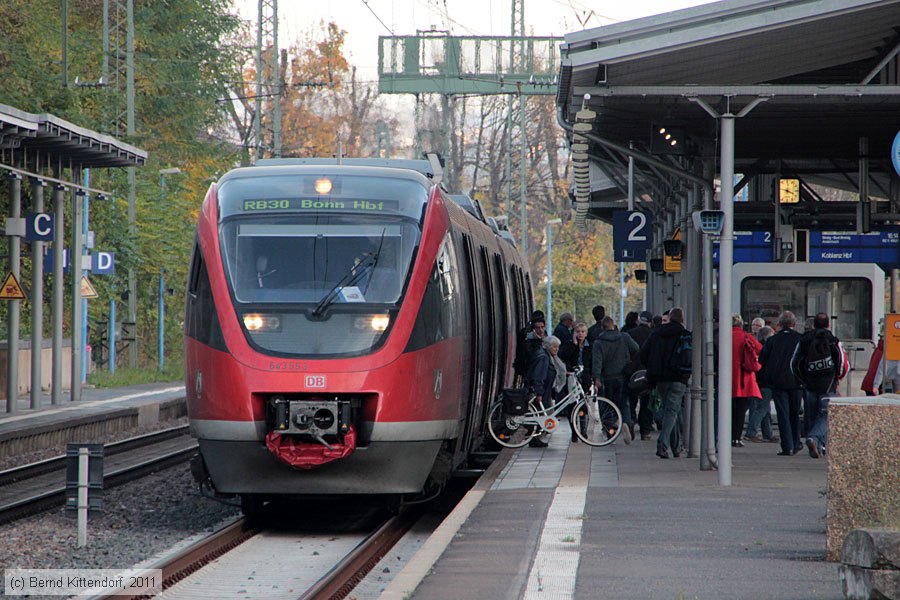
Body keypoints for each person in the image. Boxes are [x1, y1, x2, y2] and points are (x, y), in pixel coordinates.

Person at [791, 312, 849, 458]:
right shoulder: (833, 340)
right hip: (828, 384)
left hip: (810, 384)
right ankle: (818, 441)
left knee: (811, 415)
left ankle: (815, 442)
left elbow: (794, 363)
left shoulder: (804, 340)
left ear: (814, 324)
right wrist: (838, 377)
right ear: (829, 324)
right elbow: (842, 362)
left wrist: (802, 380)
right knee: (825, 415)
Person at [639, 307, 691, 459]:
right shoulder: (684, 334)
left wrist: (652, 367)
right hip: (678, 377)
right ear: (682, 319)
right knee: (672, 411)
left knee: (670, 410)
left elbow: (643, 354)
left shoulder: (656, 333)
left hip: (660, 378)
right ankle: (662, 444)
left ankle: (676, 448)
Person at [759, 311, 804, 456]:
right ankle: (796, 442)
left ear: (780, 324)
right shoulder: (800, 339)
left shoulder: (772, 340)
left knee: (783, 414)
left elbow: (762, 360)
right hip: (796, 381)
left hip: (778, 382)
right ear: (794, 324)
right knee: (794, 413)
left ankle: (787, 446)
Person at [592, 316, 638, 444]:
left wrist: (596, 377)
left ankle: (610, 430)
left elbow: (597, 362)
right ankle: (626, 424)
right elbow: (636, 348)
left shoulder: (598, 342)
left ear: (602, 327)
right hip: (623, 376)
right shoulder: (624, 337)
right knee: (624, 403)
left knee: (606, 405)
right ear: (614, 325)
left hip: (606, 378)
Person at [525, 335, 568, 448]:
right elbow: (539, 375)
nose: (557, 349)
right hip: (542, 392)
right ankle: (535, 439)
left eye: (558, 347)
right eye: (554, 347)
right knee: (539, 415)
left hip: (545, 391)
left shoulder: (547, 356)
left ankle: (537, 438)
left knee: (541, 415)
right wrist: (539, 392)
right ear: (548, 347)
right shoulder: (544, 358)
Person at [731, 314, 762, 448]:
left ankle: (724, 435)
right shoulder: (746, 337)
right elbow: (761, 349)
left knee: (726, 409)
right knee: (740, 410)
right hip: (743, 378)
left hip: (726, 378)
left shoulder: (722, 336)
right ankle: (736, 438)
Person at [624, 310, 654, 440]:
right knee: (646, 402)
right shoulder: (653, 335)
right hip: (648, 372)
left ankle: (631, 421)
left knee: (631, 400)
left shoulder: (629, 334)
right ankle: (645, 431)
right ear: (650, 322)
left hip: (633, 372)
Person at [745, 325, 777, 443]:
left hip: (757, 381)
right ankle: (751, 432)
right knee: (762, 408)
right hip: (765, 382)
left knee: (765, 408)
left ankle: (767, 433)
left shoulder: (756, 347)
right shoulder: (767, 348)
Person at [560, 322, 592, 394]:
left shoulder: (590, 346)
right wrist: (574, 344)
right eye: (578, 331)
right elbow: (564, 356)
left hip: (585, 375)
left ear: (586, 334)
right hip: (572, 375)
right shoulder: (569, 344)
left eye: (582, 332)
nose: (580, 334)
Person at [514, 310, 545, 377]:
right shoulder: (527, 337)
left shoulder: (523, 332)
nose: (540, 330)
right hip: (529, 369)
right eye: (538, 327)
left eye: (542, 327)